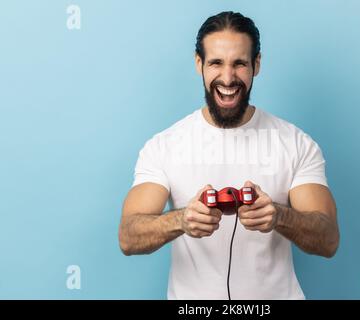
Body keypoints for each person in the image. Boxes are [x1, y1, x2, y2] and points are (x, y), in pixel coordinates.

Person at [119, 11, 340, 300]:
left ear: (256, 65)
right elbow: (128, 236)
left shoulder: (296, 143)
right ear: (199, 64)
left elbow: (328, 240)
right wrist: (181, 220)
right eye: (216, 63)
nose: (227, 77)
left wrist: (279, 216)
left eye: (239, 64)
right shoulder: (164, 146)